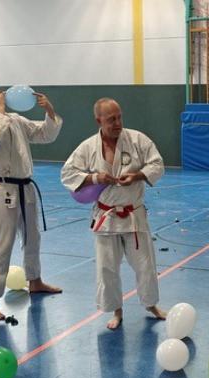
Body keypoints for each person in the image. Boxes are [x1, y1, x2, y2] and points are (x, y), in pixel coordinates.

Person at [61, 98, 165, 330]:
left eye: (119, 117)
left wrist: (137, 176)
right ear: (98, 120)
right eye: (111, 119)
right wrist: (95, 177)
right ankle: (117, 311)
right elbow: (67, 174)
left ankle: (151, 305)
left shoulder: (137, 139)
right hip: (106, 216)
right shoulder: (88, 147)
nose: (117, 123)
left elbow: (157, 164)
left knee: (145, 265)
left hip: (133, 214)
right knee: (107, 269)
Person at [0, 79, 63, 321]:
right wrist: (0, 111)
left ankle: (35, 280)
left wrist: (49, 111)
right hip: (1, 188)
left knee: (33, 238)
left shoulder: (15, 119)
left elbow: (45, 134)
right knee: (0, 244)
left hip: (25, 186)